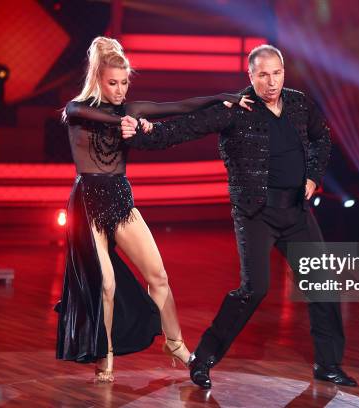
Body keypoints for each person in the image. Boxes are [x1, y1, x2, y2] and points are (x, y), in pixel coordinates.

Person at [123, 44, 357, 388]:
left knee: (322, 285)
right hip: (255, 213)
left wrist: (312, 177)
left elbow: (322, 139)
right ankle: (202, 359)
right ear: (250, 75)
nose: (271, 81)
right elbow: (185, 129)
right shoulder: (235, 109)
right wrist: (145, 132)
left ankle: (328, 364)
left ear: (283, 74)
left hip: (295, 211)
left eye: (276, 73)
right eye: (263, 75)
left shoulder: (298, 103)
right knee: (254, 289)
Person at [55, 36, 252, 383]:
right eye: (112, 83)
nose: (119, 90)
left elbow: (180, 106)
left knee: (158, 275)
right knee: (107, 284)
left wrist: (221, 98)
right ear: (99, 79)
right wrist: (124, 124)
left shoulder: (131, 110)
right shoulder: (77, 108)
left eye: (124, 82)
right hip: (87, 202)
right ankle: (107, 355)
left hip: (120, 198)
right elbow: (81, 112)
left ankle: (174, 343)